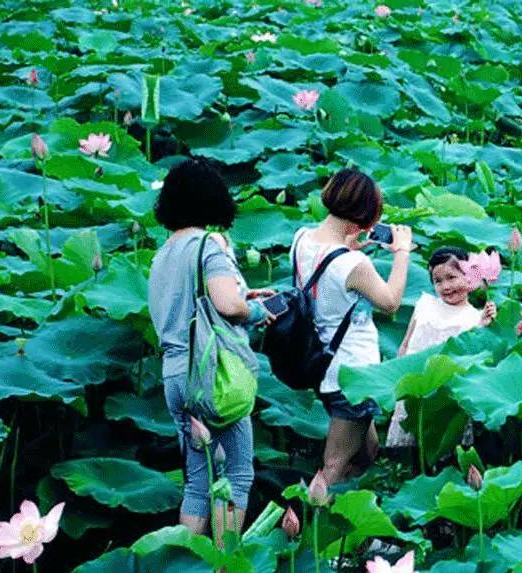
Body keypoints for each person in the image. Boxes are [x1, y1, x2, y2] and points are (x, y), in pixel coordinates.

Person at [147, 158, 271, 540]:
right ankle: (224, 564)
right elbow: (227, 306)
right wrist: (255, 309)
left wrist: (239, 294)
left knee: (199, 481)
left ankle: (188, 563)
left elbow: (194, 302)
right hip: (211, 373)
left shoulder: (163, 254)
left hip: (174, 373)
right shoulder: (208, 246)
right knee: (237, 475)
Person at [291, 167, 413, 485]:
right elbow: (390, 302)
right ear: (368, 216)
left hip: (321, 365)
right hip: (354, 373)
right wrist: (401, 253)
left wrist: (349, 249)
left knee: (367, 450)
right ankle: (311, 526)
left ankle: (353, 522)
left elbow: (324, 278)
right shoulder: (353, 265)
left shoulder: (301, 239)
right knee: (335, 463)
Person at [385, 247, 498, 449]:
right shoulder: (425, 304)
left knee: (445, 448)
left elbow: (473, 357)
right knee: (413, 443)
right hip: (415, 384)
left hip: (448, 392)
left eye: (452, 277)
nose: (445, 286)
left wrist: (485, 324)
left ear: (469, 276)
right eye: (438, 281)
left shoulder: (475, 317)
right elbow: (405, 344)